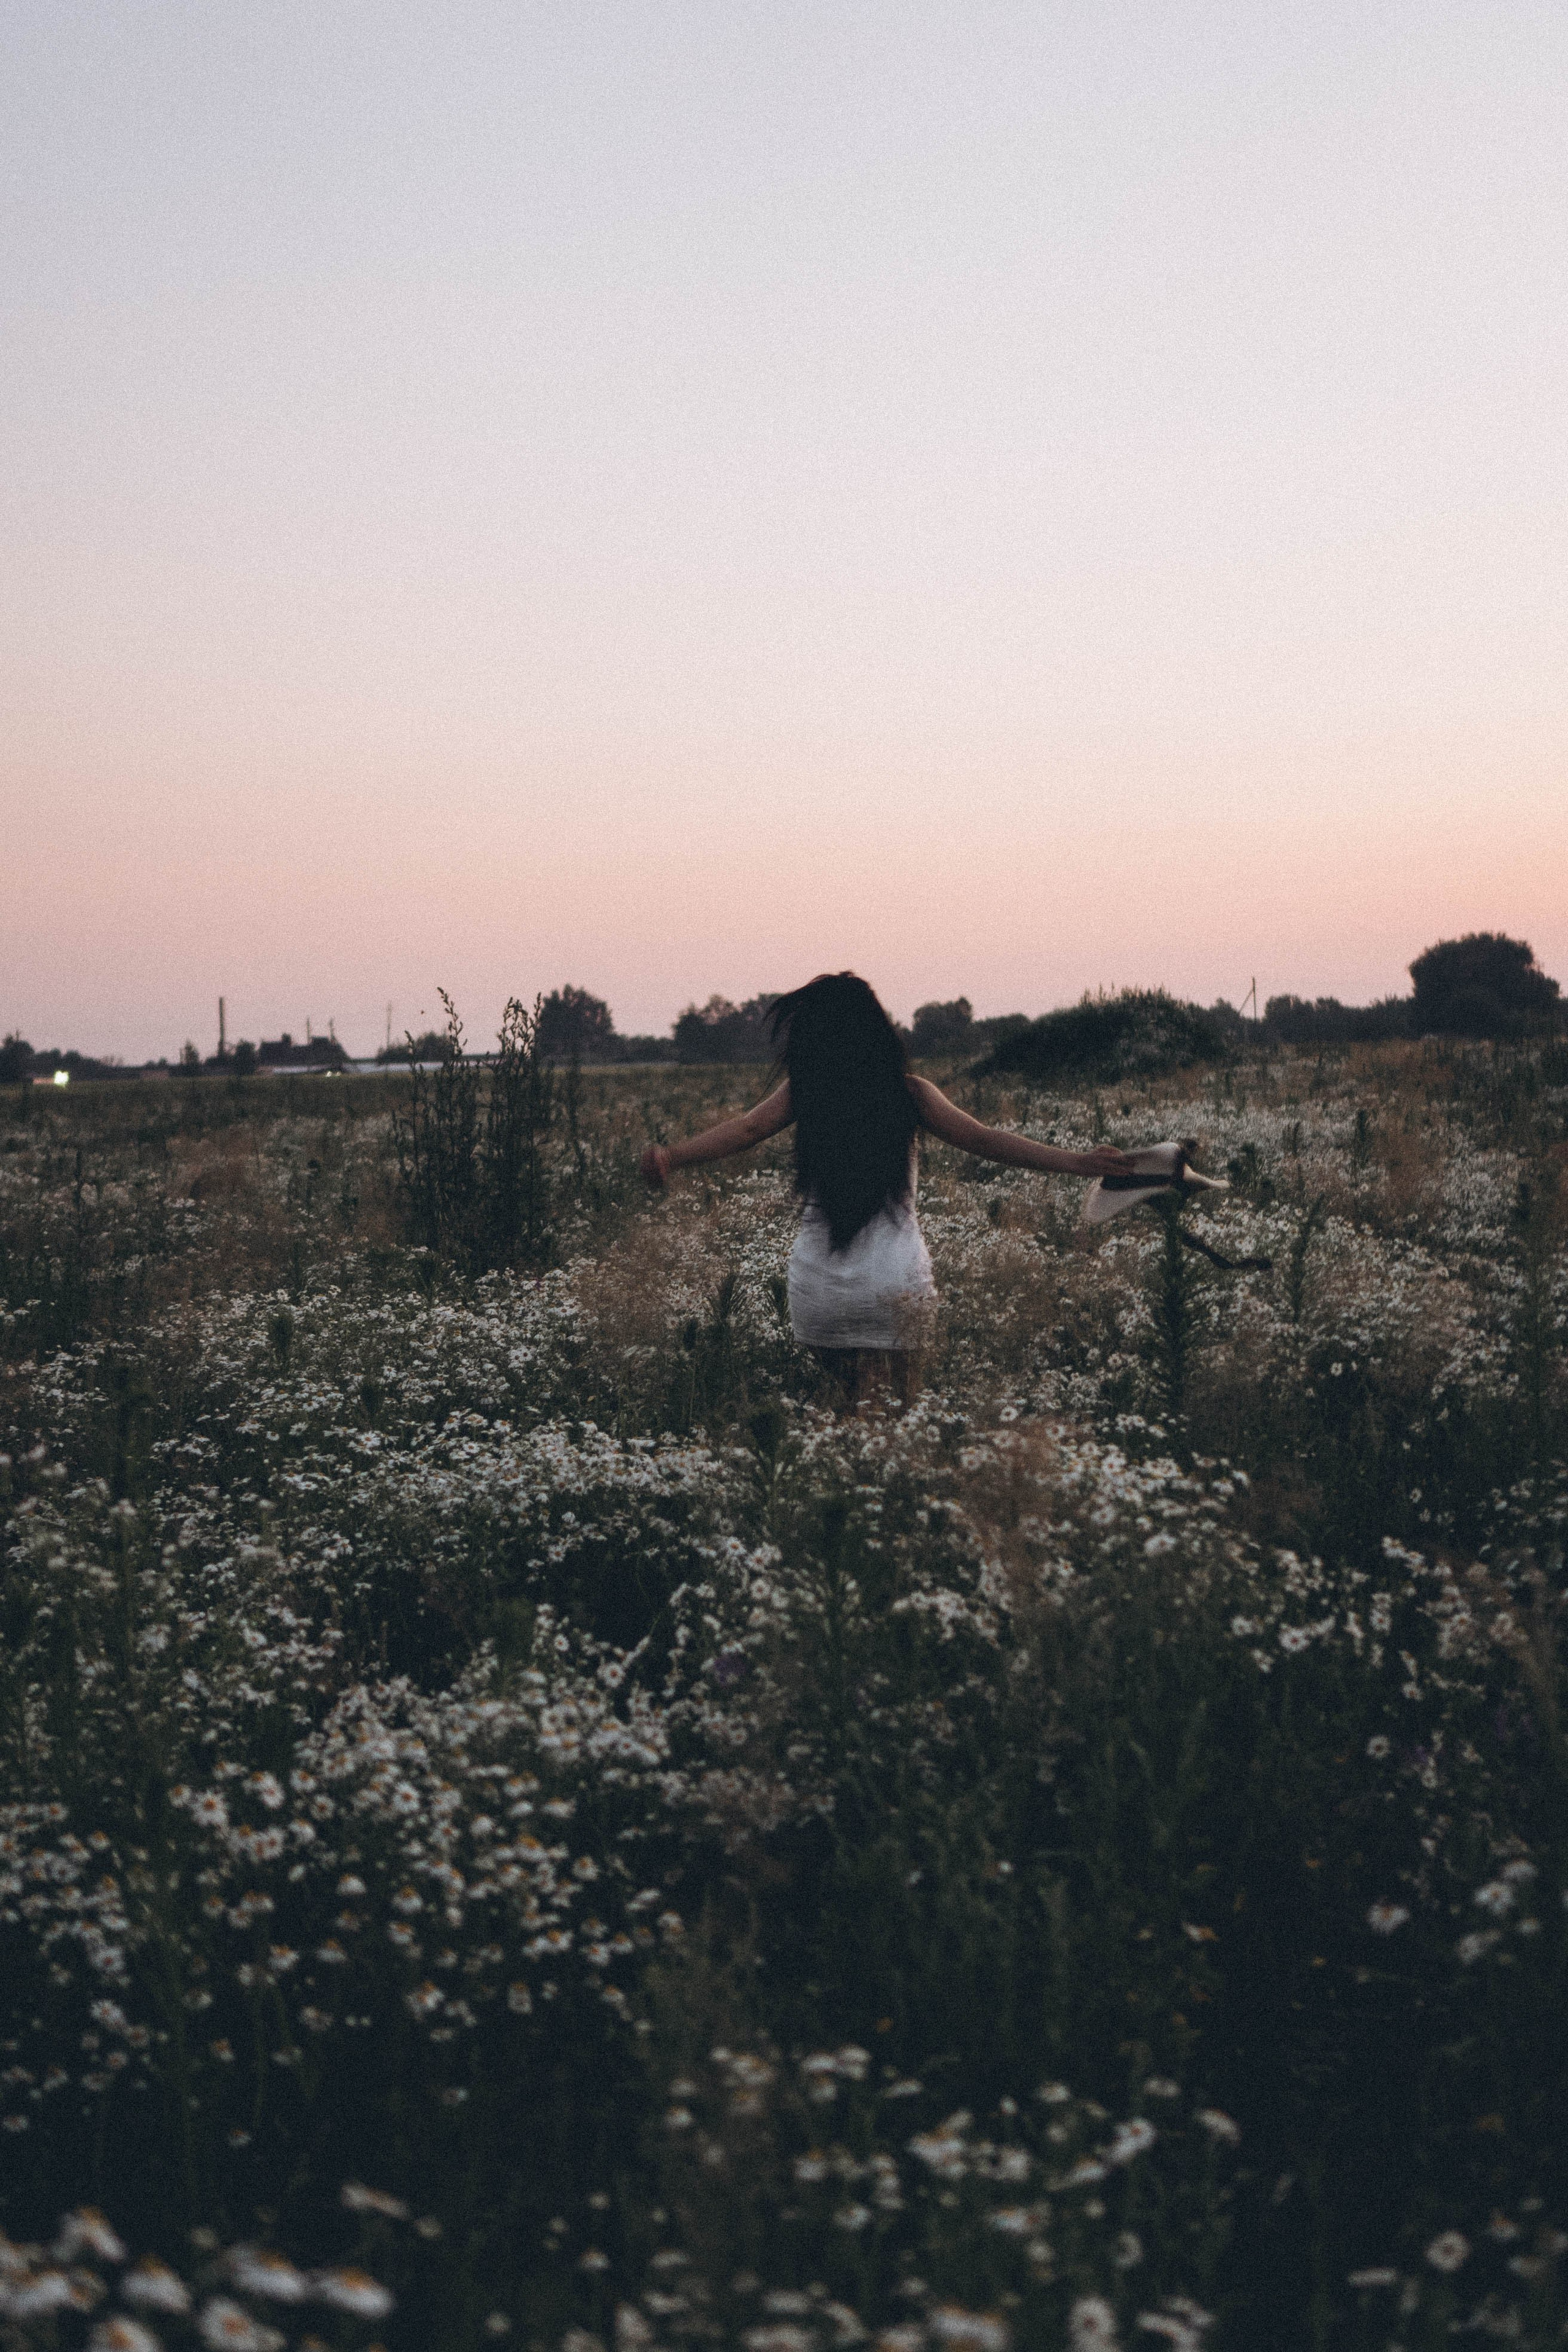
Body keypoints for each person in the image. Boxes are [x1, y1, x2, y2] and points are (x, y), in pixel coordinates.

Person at [639, 972, 1132, 1400]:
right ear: (876, 1030)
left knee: (843, 1413)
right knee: (896, 1421)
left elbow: (745, 1130)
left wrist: (672, 1156)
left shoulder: (804, 1091)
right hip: (893, 1286)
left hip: (820, 1288)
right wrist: (1079, 1162)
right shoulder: (911, 1093)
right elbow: (987, 1140)